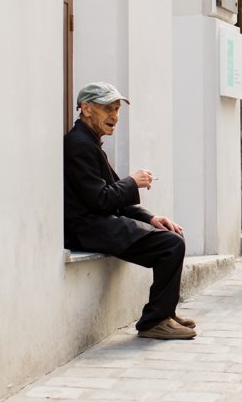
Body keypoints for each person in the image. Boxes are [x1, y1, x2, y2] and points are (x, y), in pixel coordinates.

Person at [64, 82, 195, 341]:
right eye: (107, 109)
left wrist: (151, 218)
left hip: (97, 222)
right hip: (86, 227)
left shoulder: (89, 142)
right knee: (169, 245)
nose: (114, 116)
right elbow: (101, 199)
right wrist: (133, 182)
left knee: (171, 238)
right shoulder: (79, 144)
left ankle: (164, 312)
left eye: (116, 109)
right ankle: (155, 321)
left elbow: (114, 197)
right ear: (86, 109)